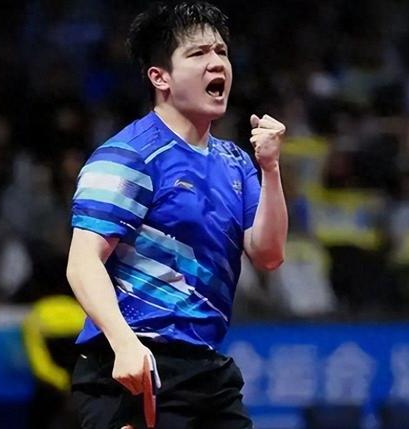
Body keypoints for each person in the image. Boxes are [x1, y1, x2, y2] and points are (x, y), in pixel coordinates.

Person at [66, 2, 288, 428]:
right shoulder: (129, 156)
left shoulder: (235, 163)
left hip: (206, 371)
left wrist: (271, 169)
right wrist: (124, 344)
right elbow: (83, 262)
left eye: (221, 52)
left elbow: (269, 254)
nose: (216, 63)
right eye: (198, 53)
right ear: (160, 77)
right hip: (133, 365)